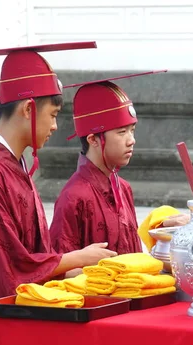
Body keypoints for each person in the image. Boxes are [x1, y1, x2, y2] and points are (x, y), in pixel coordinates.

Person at [0, 42, 117, 345]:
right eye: (53, 114)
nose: (56, 125)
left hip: (23, 315)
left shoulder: (13, 167)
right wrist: (76, 258)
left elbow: (32, 258)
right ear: (29, 109)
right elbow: (6, 273)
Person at [50, 72, 169, 255]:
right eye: (122, 132)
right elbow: (60, 269)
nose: (131, 140)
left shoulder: (123, 188)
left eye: (132, 130)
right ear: (93, 139)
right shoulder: (73, 198)